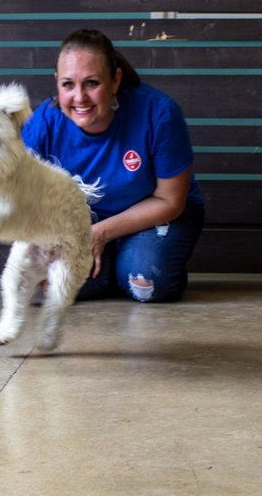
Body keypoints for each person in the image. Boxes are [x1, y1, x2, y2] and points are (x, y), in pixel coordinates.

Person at [21, 29, 204, 302]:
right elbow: (23, 199)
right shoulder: (44, 123)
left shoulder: (159, 112)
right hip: (82, 223)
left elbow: (170, 200)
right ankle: (109, 266)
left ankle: (130, 260)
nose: (79, 97)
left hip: (153, 217)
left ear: (115, 80)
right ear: (57, 81)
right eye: (68, 84)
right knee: (53, 286)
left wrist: (100, 233)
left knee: (147, 281)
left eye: (92, 83)